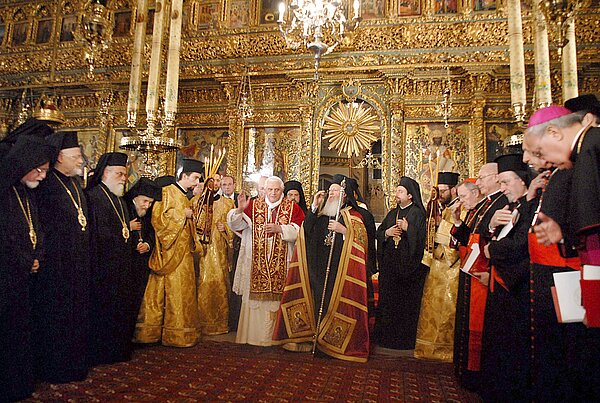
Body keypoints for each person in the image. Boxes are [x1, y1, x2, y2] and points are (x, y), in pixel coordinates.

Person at [524, 105, 600, 400]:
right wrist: (565, 232)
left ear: (554, 132)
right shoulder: (584, 150)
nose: (543, 161)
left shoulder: (592, 147)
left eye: (541, 152)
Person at [273, 174, 370, 361]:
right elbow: (305, 233)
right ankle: (314, 339)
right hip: (317, 270)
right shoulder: (320, 213)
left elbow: (362, 243)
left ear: (345, 194)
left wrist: (344, 231)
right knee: (317, 303)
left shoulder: (354, 216)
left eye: (336, 191)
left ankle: (332, 344)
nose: (332, 194)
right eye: (330, 191)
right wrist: (314, 207)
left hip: (339, 272)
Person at [522, 134, 581, 403]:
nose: (527, 159)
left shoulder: (572, 173)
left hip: (567, 274)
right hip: (546, 275)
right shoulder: (553, 177)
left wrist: (565, 233)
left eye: (532, 151)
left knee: (569, 350)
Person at [0, 135, 55, 402]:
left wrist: (37, 255)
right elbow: (5, 236)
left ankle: (20, 382)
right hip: (7, 276)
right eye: (40, 170)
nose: (43, 176)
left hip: (25, 274)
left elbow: (36, 231)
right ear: (24, 164)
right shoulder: (3, 192)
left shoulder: (25, 191)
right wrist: (24, 259)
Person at [33, 131, 90, 383]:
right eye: (76, 156)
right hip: (54, 267)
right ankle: (54, 368)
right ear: (59, 157)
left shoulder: (74, 184)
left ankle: (73, 365)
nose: (81, 161)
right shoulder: (46, 185)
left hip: (77, 265)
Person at [479, 154, 533, 402]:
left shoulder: (531, 206)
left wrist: (492, 250)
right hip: (499, 285)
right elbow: (490, 236)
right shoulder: (512, 206)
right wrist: (491, 228)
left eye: (505, 182)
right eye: (499, 182)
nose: (502, 188)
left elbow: (522, 245)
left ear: (522, 181)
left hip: (517, 288)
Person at [450, 163, 508, 391]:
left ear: (495, 177)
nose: (479, 181)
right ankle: (466, 370)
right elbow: (467, 238)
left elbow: (486, 239)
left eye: (482, 178)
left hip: (484, 272)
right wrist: (457, 222)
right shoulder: (482, 205)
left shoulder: (499, 203)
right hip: (471, 269)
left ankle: (475, 374)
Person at [227, 176, 304, 346]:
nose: (273, 193)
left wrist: (280, 228)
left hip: (281, 263)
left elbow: (300, 232)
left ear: (282, 191)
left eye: (277, 190)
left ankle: (274, 339)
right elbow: (236, 225)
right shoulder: (254, 206)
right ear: (265, 190)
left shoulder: (292, 208)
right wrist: (239, 210)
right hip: (256, 262)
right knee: (254, 304)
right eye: (270, 189)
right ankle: (253, 338)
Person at [134, 158, 204, 347]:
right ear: (184, 176)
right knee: (166, 292)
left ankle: (179, 333)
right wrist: (183, 215)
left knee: (182, 292)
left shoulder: (184, 196)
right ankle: (155, 333)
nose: (197, 182)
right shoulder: (166, 192)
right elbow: (158, 220)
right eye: (195, 178)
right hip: (169, 251)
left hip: (183, 252)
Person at [86, 152, 136, 365]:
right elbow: (98, 233)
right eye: (119, 173)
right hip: (103, 266)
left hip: (121, 264)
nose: (124, 178)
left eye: (125, 174)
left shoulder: (119, 200)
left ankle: (118, 350)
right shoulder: (94, 196)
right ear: (105, 173)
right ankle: (103, 353)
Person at [374, 176, 427, 350]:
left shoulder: (418, 214)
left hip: (408, 270)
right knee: (388, 303)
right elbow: (380, 233)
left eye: (400, 191)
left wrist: (408, 229)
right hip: (390, 269)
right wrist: (387, 233)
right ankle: (385, 339)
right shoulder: (392, 213)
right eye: (397, 191)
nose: (396, 194)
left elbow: (422, 241)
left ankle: (404, 341)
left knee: (404, 306)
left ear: (410, 196)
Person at [415, 171, 461, 361]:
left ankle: (445, 350)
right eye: (439, 190)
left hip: (451, 268)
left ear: (454, 190)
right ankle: (427, 349)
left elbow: (459, 238)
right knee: (431, 309)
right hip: (436, 265)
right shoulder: (438, 208)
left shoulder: (461, 208)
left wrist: (441, 225)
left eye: (444, 191)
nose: (441, 194)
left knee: (447, 311)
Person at [196, 173, 235, 335]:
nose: (216, 183)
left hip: (220, 252)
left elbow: (235, 227)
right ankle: (200, 322)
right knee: (201, 284)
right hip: (201, 253)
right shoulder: (197, 202)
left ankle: (220, 323)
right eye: (213, 180)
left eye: (219, 181)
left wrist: (225, 228)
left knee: (220, 283)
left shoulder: (228, 203)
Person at [124, 177, 162, 312]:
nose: (147, 206)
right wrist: (127, 227)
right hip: (126, 262)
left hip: (142, 263)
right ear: (136, 196)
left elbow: (152, 232)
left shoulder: (147, 213)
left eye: (150, 203)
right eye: (144, 201)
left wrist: (147, 244)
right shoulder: (123, 207)